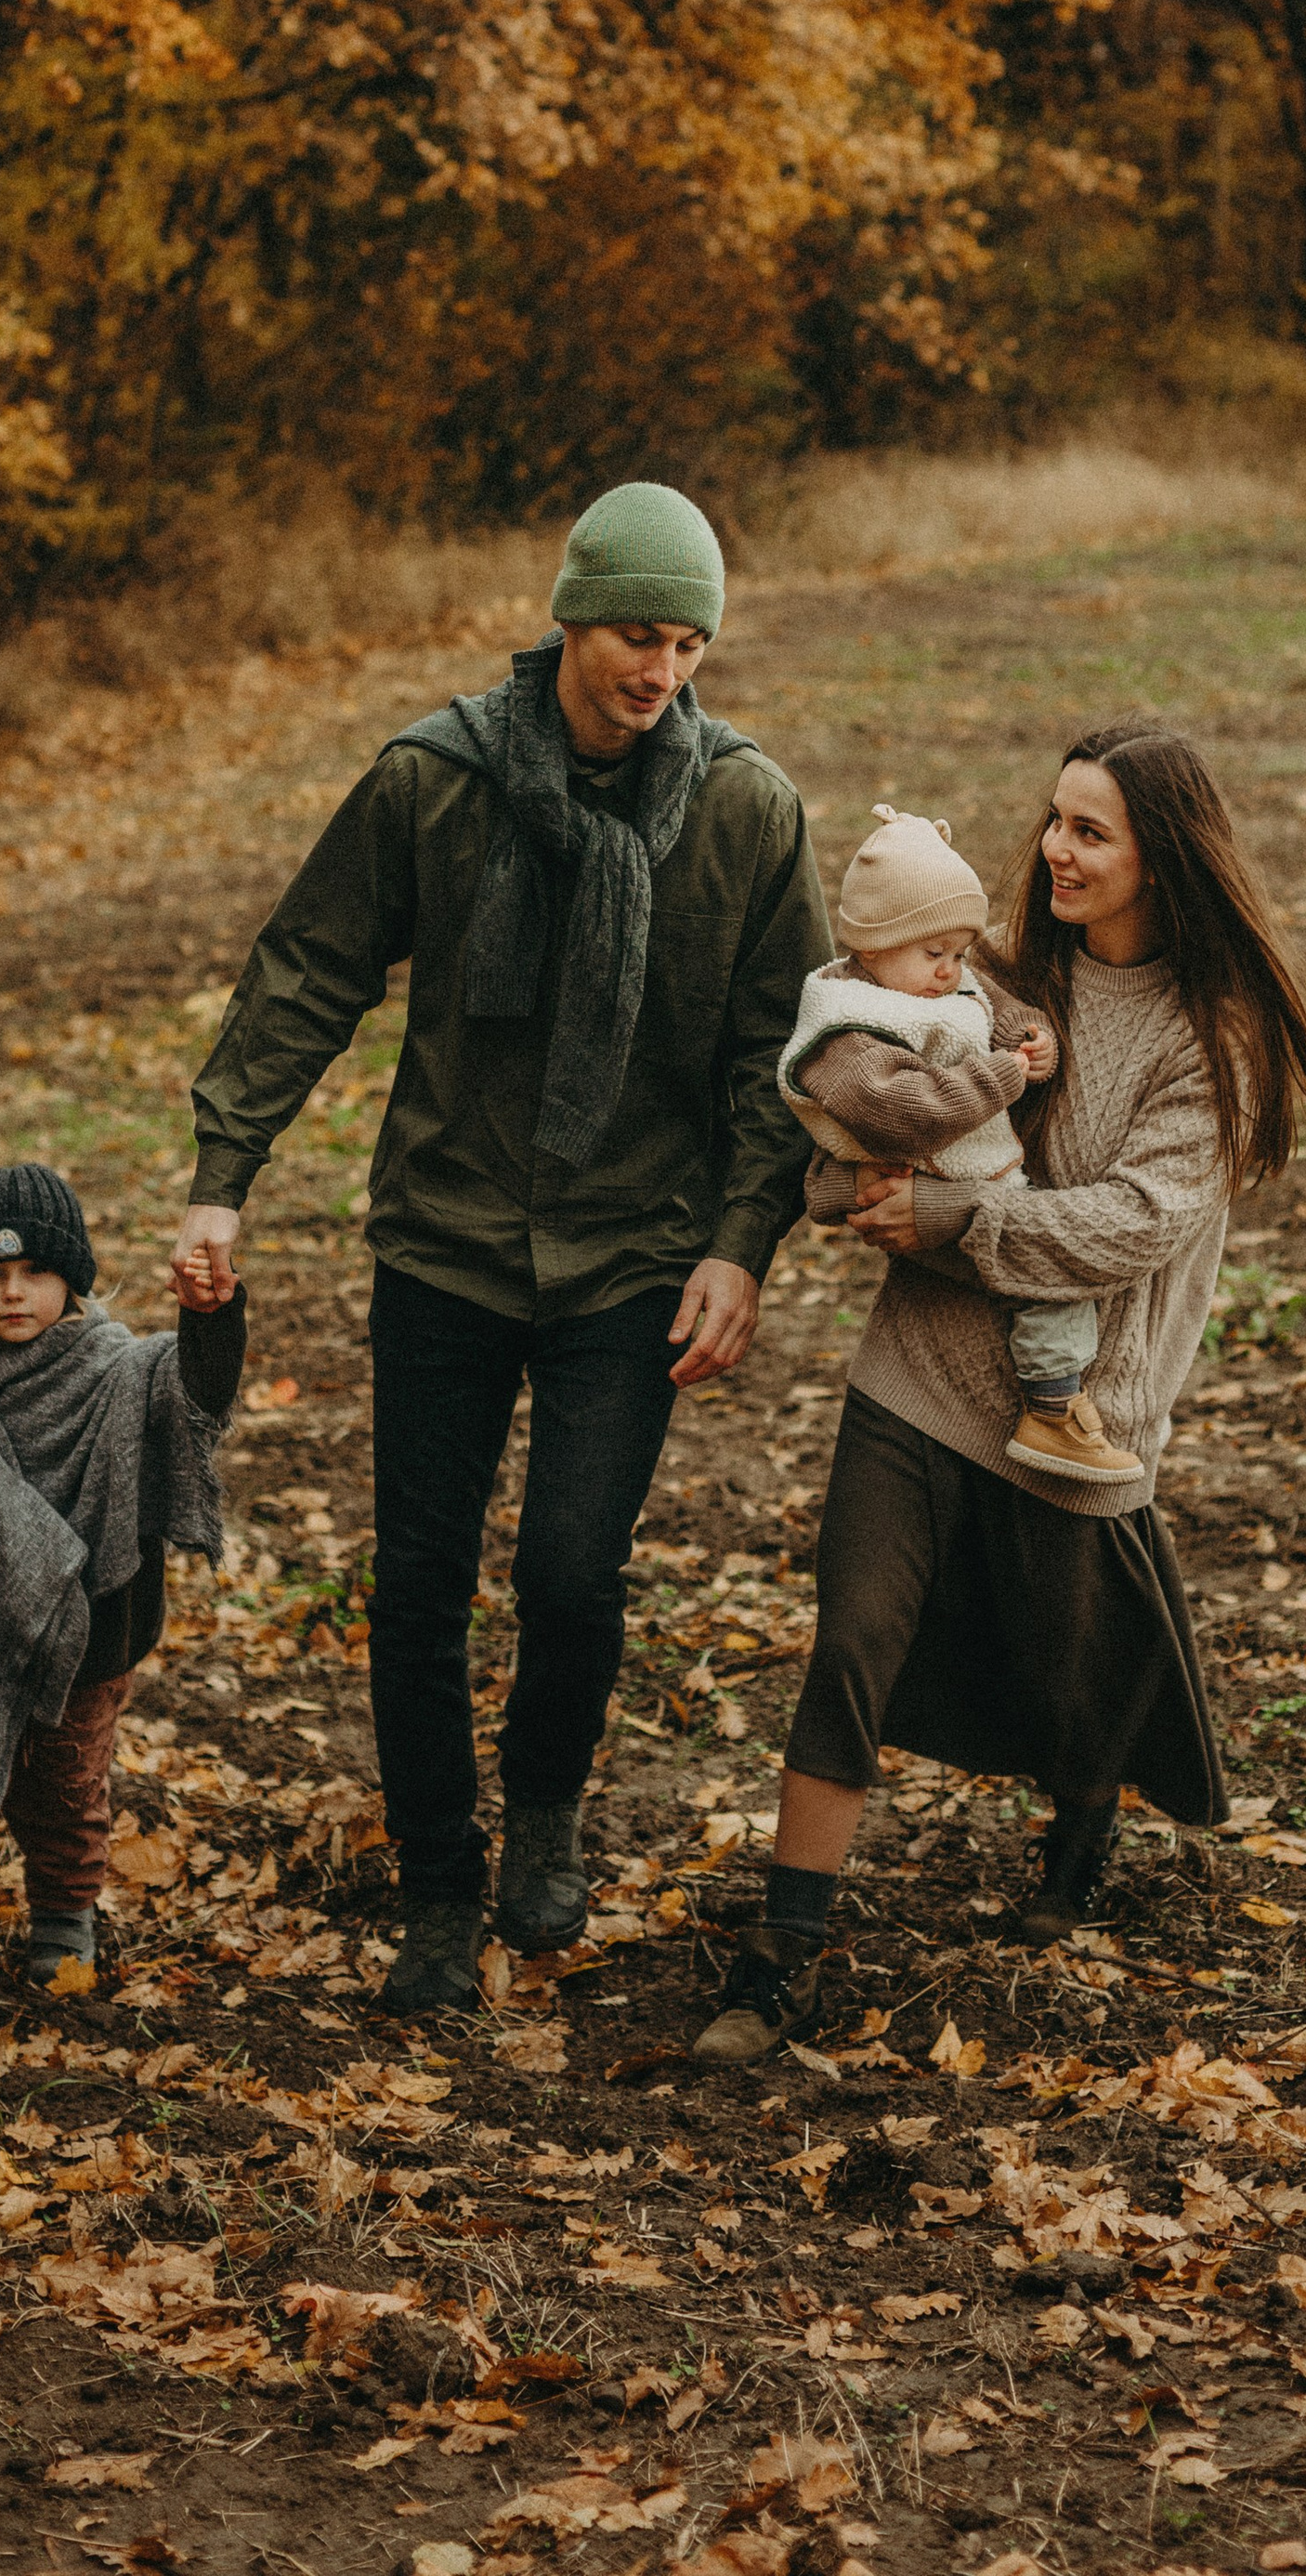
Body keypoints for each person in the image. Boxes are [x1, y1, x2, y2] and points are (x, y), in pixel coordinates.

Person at [170, 482, 829, 2013]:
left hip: (635, 1255)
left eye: (683, 641)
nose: (655, 669)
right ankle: (437, 1887)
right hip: (449, 1244)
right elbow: (306, 973)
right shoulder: (436, 780)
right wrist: (222, 1175)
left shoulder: (744, 813)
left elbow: (772, 1053)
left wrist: (743, 1245)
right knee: (416, 1586)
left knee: (574, 1573)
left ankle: (542, 1819)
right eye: (629, 632)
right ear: (565, 617)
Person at [695, 721, 1306, 2065]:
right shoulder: (989, 975)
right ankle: (784, 1955)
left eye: (1091, 829)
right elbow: (875, 1083)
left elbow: (1134, 1225)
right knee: (850, 1645)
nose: (1055, 849)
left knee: (1075, 1673)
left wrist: (951, 1223)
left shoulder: (1211, 1035)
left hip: (1081, 1403)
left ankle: (1085, 1830)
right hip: (917, 1373)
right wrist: (858, 1171)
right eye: (1056, 819)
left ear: (1160, 856)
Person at [0, 1162, 246, 2020]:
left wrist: (210, 1320)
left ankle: (65, 1920)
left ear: (73, 1278)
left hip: (91, 1629)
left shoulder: (120, 1371)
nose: (14, 1294)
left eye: (35, 1273)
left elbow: (198, 1396)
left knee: (65, 1789)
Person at [779, 803, 1141, 1483]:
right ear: (872, 945)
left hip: (934, 1168)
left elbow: (990, 1008)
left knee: (1003, 1234)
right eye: (933, 953)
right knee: (1049, 1281)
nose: (949, 970)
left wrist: (1032, 1041)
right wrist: (1002, 1077)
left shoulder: (933, 976)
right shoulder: (851, 1025)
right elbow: (901, 1113)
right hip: (908, 1148)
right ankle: (1054, 1405)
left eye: (958, 952)